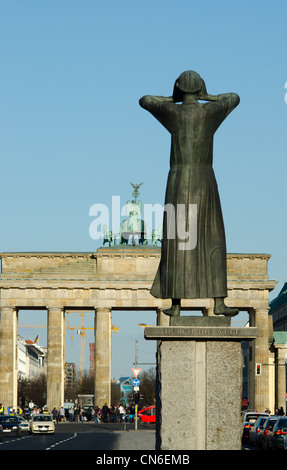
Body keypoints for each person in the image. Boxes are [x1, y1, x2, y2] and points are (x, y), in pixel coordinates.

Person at [139, 70, 240, 317]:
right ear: (200, 88)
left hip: (178, 181)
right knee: (213, 240)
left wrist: (173, 98)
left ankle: (175, 304)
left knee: (177, 241)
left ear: (178, 87)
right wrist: (209, 96)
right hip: (205, 180)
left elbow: (145, 100)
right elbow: (234, 98)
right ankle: (218, 301)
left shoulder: (172, 112)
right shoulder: (209, 112)